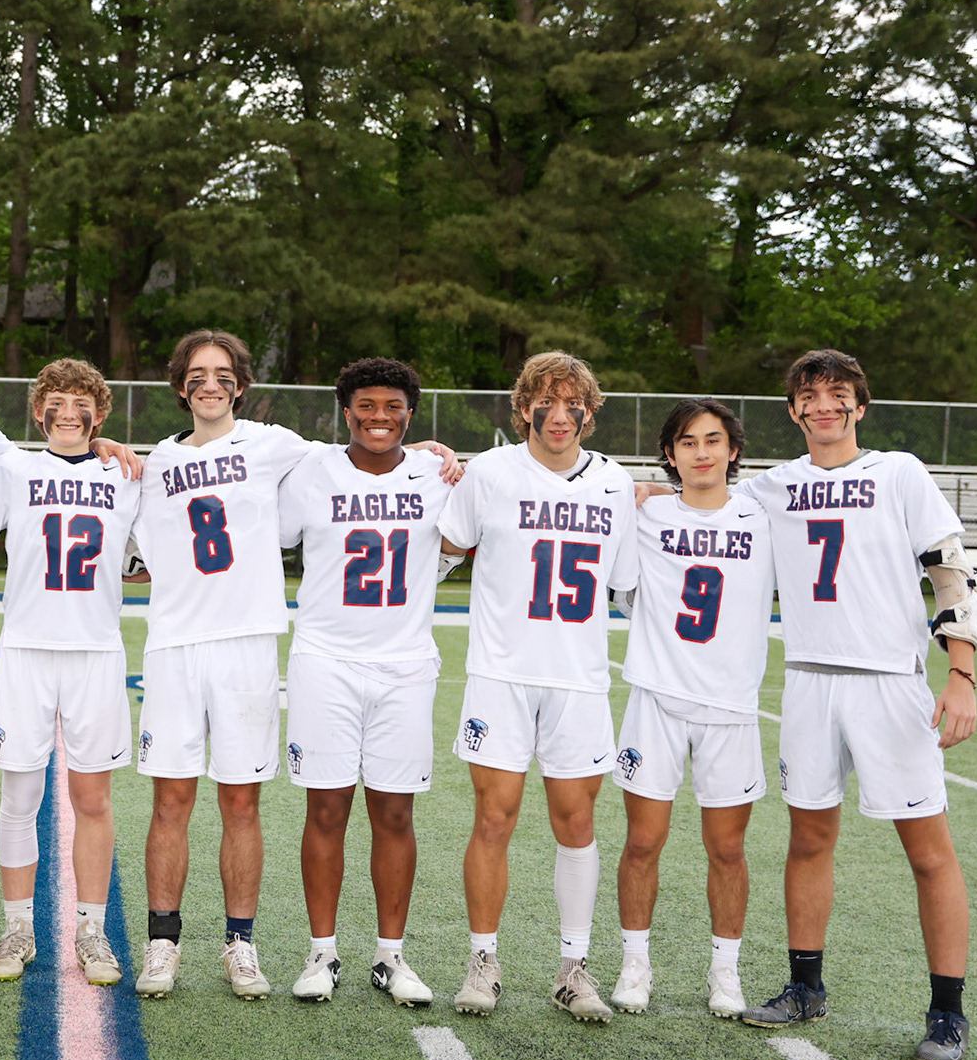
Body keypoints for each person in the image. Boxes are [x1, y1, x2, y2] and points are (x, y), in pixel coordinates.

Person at [127, 330, 455, 1000]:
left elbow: (367, 448)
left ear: (241, 386)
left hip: (249, 639)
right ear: (180, 385)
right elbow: (127, 545)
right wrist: (106, 448)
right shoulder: (155, 462)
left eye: (223, 374)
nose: (210, 384)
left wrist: (425, 450)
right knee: (170, 799)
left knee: (241, 799)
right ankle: (163, 943)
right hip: (174, 643)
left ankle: (240, 945)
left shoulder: (278, 445)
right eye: (197, 374)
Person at [730, 350, 977, 1060]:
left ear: (860, 406)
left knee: (928, 851)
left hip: (889, 683)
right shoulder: (774, 486)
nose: (824, 405)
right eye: (809, 395)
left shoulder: (899, 472)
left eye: (838, 393)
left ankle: (948, 1011)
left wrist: (961, 674)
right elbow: (697, 493)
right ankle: (805, 987)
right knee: (808, 839)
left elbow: (952, 572)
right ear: (793, 411)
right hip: (810, 680)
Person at [436, 351, 638, 1023]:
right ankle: (483, 960)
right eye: (546, 401)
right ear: (524, 408)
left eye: (573, 402)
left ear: (590, 412)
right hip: (502, 673)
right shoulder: (490, 472)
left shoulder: (615, 483)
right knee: (494, 818)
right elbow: (443, 552)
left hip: (578, 677)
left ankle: (573, 967)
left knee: (576, 822)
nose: (559, 414)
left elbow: (628, 584)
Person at [277, 358, 451, 1005]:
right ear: (346, 411)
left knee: (395, 812)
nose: (380, 417)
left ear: (410, 413)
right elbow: (268, 529)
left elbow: (468, 536)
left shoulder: (437, 474)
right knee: (326, 809)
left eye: (393, 406)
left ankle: (390, 955)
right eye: (368, 406)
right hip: (325, 661)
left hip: (405, 665)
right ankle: (321, 952)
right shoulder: (312, 470)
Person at [0, 358, 140, 987]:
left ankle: (91, 929)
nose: (68, 413)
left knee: (92, 799)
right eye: (56, 402)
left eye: (81, 403)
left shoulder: (124, 473)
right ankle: (18, 927)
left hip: (95, 650)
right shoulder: (13, 468)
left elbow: (148, 557)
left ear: (100, 413)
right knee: (20, 796)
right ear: (38, 411)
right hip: (25, 648)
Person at [608, 399, 773, 1018]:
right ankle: (634, 964)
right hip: (656, 696)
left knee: (727, 849)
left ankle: (724, 971)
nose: (701, 452)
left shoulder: (764, 515)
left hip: (731, 705)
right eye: (687, 442)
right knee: (642, 841)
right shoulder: (645, 512)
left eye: (712, 440)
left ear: (734, 450)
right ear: (669, 454)